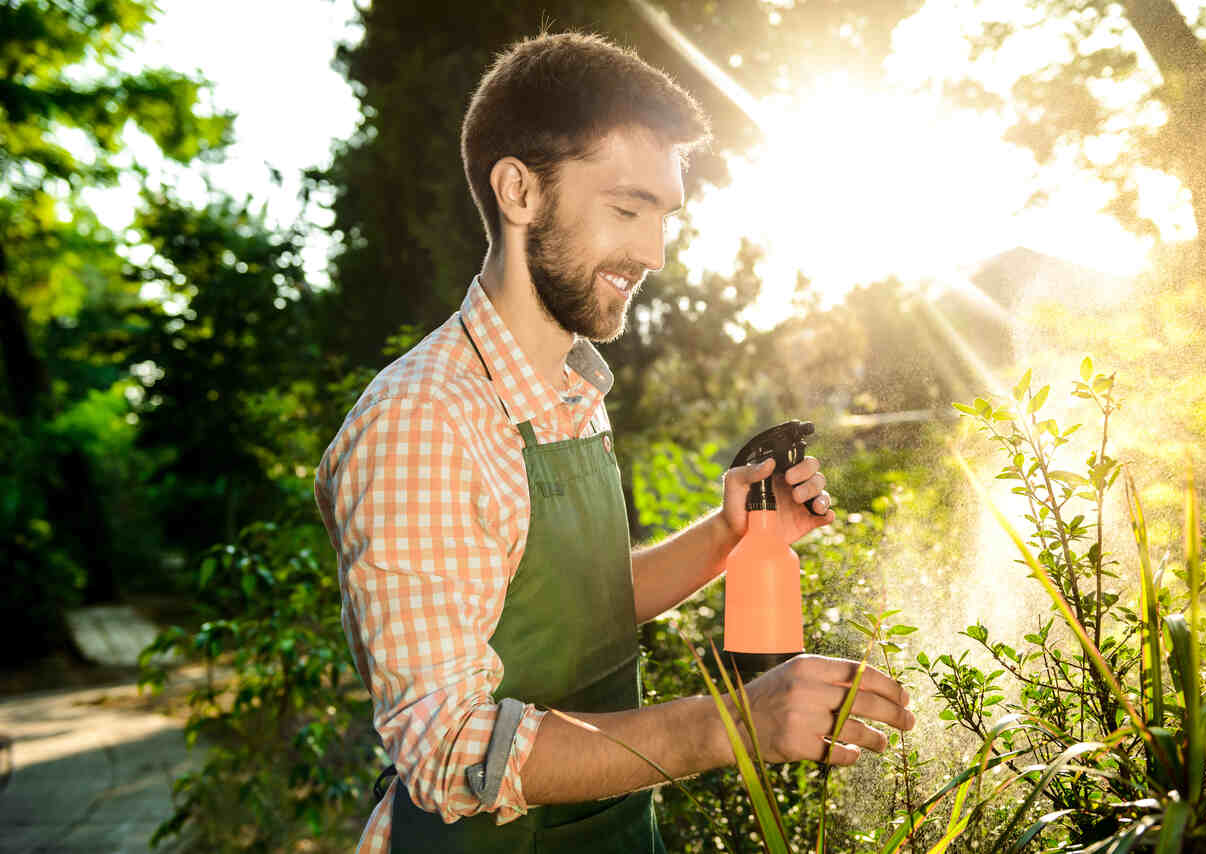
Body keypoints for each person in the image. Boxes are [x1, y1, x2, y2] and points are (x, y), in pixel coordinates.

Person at [314, 30, 915, 854]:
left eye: (663, 217)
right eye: (627, 209)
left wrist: (725, 536)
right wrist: (733, 725)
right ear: (519, 191)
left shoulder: (572, 389)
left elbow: (577, 604)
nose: (654, 253)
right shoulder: (422, 421)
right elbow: (449, 749)